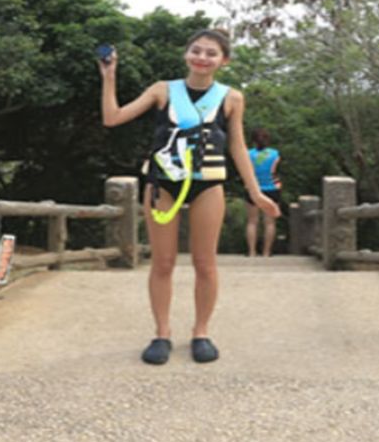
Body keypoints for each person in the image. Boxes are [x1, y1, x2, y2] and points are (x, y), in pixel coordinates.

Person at [99, 28, 280, 365]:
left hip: (208, 184)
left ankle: (201, 332)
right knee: (163, 262)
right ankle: (162, 333)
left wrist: (255, 192)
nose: (202, 58)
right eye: (196, 50)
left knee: (205, 264)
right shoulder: (163, 90)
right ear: (186, 54)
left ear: (224, 61)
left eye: (211, 53)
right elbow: (113, 118)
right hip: (162, 183)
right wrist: (109, 76)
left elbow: (237, 146)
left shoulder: (231, 98)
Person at [244, 129, 283, 257]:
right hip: (272, 188)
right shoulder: (275, 154)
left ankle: (251, 252)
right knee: (270, 222)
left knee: (252, 221)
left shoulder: (248, 154)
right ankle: (266, 252)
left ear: (253, 140)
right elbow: (275, 171)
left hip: (253, 187)